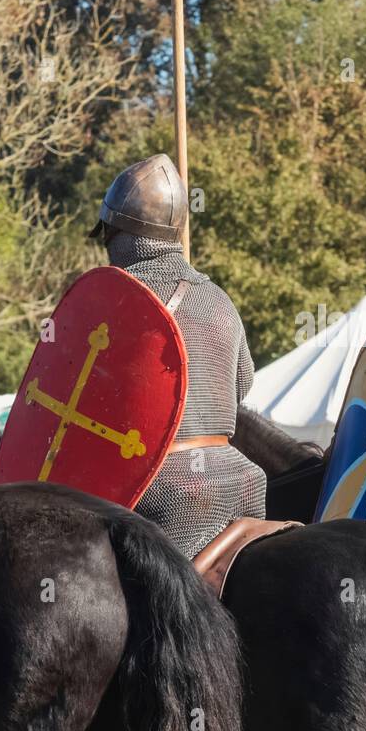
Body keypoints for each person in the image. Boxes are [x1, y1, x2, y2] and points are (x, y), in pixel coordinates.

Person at [93, 154, 265, 558]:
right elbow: (242, 386)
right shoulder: (218, 299)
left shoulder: (116, 300)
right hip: (240, 480)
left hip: (153, 487)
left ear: (116, 232)